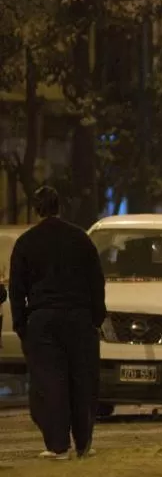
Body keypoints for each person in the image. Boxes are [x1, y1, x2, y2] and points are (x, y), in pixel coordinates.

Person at [10, 186, 106, 460]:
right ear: (59, 207)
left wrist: (22, 325)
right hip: (79, 318)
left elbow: (17, 289)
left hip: (42, 319)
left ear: (36, 209)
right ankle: (83, 442)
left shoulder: (26, 242)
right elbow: (96, 282)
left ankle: (57, 444)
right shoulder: (80, 239)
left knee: (50, 381)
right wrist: (96, 318)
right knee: (82, 380)